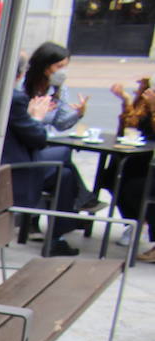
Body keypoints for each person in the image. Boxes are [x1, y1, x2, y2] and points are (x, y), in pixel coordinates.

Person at [0, 59, 85, 256]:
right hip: (9, 171)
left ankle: (77, 206)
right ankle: (59, 234)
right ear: (20, 75)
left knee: (64, 172)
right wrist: (36, 117)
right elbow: (38, 139)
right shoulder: (14, 98)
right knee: (64, 168)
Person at [20, 42, 99, 211]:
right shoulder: (23, 88)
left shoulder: (59, 89)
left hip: (44, 144)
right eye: (59, 66)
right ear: (45, 66)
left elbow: (61, 124)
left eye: (65, 66)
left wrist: (79, 113)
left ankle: (56, 230)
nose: (63, 71)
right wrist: (36, 115)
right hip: (26, 147)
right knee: (64, 154)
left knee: (65, 174)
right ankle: (84, 198)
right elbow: (19, 124)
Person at [104, 76, 155, 261]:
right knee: (111, 175)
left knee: (138, 188)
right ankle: (134, 223)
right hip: (143, 157)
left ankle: (141, 224)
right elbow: (128, 128)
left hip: (150, 164)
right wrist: (126, 100)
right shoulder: (146, 97)